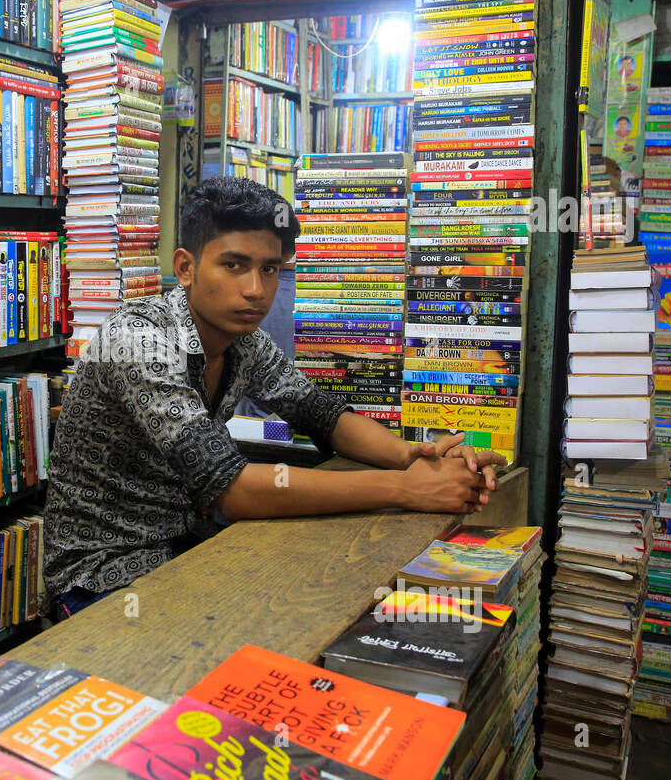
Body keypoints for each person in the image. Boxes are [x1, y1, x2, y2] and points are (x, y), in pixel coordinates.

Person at [43, 177, 507, 620]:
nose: (256, 290)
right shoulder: (137, 338)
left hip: (196, 547)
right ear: (185, 267)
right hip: (105, 574)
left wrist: (414, 456)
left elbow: (319, 413)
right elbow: (232, 490)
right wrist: (407, 489)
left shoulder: (243, 340)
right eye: (234, 265)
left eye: (269, 269)